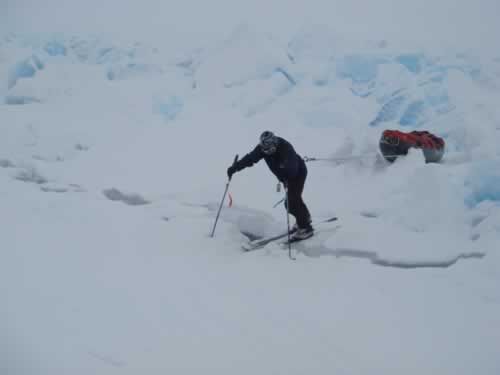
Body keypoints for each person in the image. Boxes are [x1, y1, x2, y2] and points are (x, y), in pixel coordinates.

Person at [227, 131, 313, 240]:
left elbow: (292, 169)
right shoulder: (262, 149)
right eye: (264, 149)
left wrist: (285, 173)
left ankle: (306, 228)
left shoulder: (285, 148)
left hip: (297, 174)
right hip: (285, 177)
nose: (266, 152)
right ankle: (304, 219)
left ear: (274, 143)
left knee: (291, 203)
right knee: (294, 200)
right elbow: (250, 159)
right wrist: (235, 167)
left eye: (269, 149)